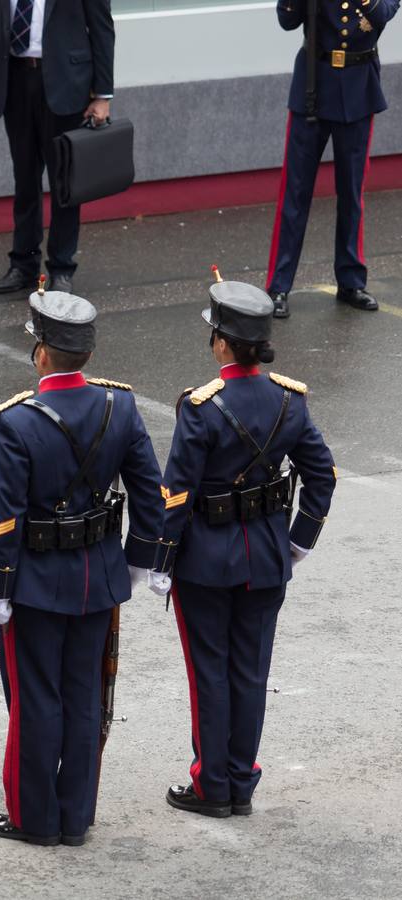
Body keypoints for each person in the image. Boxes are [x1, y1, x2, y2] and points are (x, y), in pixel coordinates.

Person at [0, 287, 165, 847]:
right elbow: (151, 499)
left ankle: (34, 820)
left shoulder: (16, 421)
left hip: (37, 582)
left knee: (36, 698)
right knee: (85, 697)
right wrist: (134, 566)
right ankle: (75, 816)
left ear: (41, 353)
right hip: (99, 576)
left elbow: (6, 520)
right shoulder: (121, 406)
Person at [152, 273, 336, 817]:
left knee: (209, 670)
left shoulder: (200, 406)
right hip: (268, 556)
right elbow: (321, 477)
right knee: (251, 671)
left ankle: (212, 786)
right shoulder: (290, 401)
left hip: (206, 560)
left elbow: (177, 491)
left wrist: (161, 559)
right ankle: (240, 780)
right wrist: (298, 541)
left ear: (225, 344)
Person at [0, 0, 115, 296]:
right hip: (15, 81)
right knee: (25, 180)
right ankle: (23, 265)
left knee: (64, 184)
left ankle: (61, 268)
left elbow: (102, 28)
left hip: (66, 85)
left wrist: (102, 95)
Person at [266, 0, 399, 317]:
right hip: (314, 85)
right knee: (295, 193)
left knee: (352, 192)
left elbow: (382, 14)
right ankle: (279, 285)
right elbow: (287, 21)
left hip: (358, 88)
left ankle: (351, 281)